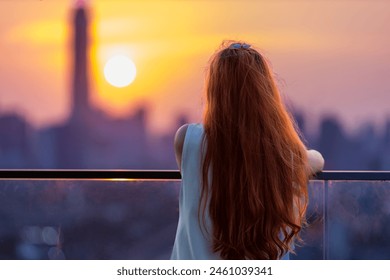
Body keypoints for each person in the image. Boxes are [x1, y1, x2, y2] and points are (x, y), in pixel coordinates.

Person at [170, 41, 324, 260]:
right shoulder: (280, 154)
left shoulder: (187, 140)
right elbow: (316, 161)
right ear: (266, 94)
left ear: (215, 91)